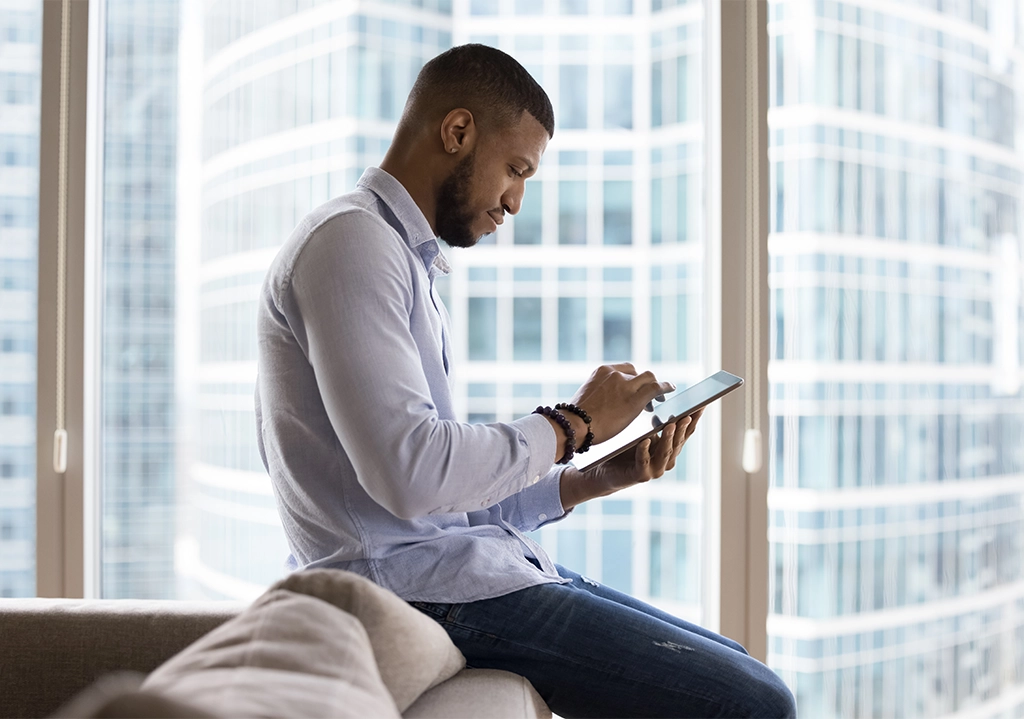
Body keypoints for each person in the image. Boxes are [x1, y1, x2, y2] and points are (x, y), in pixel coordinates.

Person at [255, 43, 796, 719]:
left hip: (455, 570)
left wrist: (597, 472)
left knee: (744, 667)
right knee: (757, 702)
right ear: (457, 132)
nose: (514, 201)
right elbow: (410, 472)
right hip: (415, 586)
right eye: (516, 169)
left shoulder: (401, 260)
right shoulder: (351, 244)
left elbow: (443, 499)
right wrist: (574, 422)